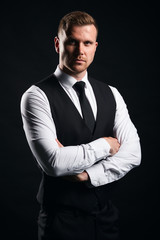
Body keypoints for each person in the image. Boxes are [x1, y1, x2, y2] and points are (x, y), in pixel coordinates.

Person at [20, 11, 141, 240]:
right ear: (58, 44)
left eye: (87, 43)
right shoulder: (36, 96)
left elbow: (134, 154)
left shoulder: (111, 94)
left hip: (106, 220)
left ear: (95, 46)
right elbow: (55, 163)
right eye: (72, 42)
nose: (80, 51)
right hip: (61, 223)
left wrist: (87, 174)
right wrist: (105, 146)